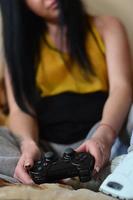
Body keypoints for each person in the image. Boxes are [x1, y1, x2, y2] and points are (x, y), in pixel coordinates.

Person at [0, 0, 132, 185]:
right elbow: (20, 110)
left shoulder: (107, 26)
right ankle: (31, 171)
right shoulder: (19, 45)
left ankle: (111, 168)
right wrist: (28, 144)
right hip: (45, 151)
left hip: (102, 136)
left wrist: (104, 136)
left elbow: (122, 88)